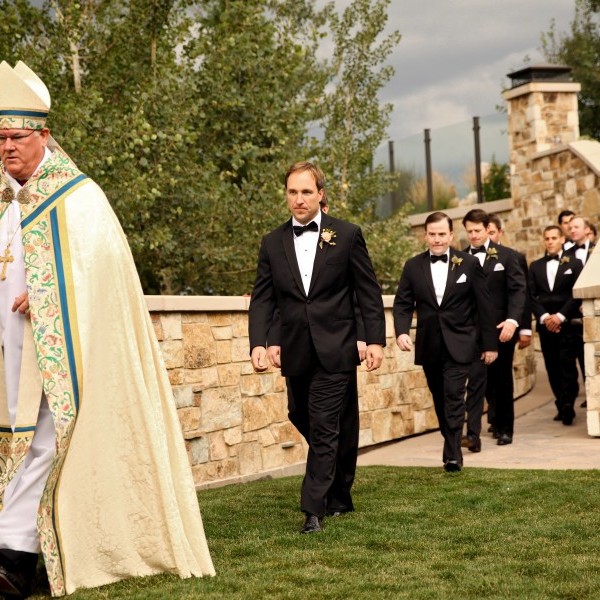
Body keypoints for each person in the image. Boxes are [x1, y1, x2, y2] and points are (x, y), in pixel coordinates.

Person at [0, 61, 214, 598]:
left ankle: (16, 559)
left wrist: (49, 297)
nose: (7, 148)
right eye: (0, 139)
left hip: (61, 358)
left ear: (44, 135)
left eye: (17, 137)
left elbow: (102, 271)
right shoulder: (4, 201)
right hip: (8, 354)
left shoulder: (79, 197)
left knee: (43, 444)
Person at [248, 161, 385, 534]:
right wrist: (259, 341)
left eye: (306, 192)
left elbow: (367, 293)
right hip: (295, 349)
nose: (299, 199)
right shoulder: (272, 242)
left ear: (320, 194)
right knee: (302, 414)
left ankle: (313, 509)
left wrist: (375, 339)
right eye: (292, 192)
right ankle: (340, 492)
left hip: (336, 347)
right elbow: (264, 298)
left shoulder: (347, 234)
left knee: (324, 426)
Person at [393, 212, 498, 472]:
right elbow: (403, 303)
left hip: (461, 343)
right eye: (432, 234)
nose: (437, 239)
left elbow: (484, 306)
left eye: (442, 234)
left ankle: (453, 455)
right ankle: (450, 439)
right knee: (440, 399)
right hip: (430, 344)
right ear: (425, 236)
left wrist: (489, 345)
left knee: (453, 396)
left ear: (451, 236)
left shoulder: (469, 263)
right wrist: (402, 331)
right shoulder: (413, 266)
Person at [461, 209, 527, 447]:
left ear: (488, 228)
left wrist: (512, 321)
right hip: (472, 331)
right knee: (479, 381)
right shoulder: (460, 258)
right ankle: (477, 431)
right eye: (469, 231)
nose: (473, 235)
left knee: (501, 379)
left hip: (501, 329)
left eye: (477, 230)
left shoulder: (507, 256)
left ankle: (505, 428)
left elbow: (518, 291)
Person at [528, 226, 583, 425]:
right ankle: (561, 403)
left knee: (567, 366)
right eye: (547, 238)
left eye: (553, 238)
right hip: (545, 327)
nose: (550, 241)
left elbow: (576, 293)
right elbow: (531, 296)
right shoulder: (535, 266)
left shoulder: (574, 263)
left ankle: (568, 404)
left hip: (567, 324)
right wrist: (545, 317)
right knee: (552, 367)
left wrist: (560, 316)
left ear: (562, 240)